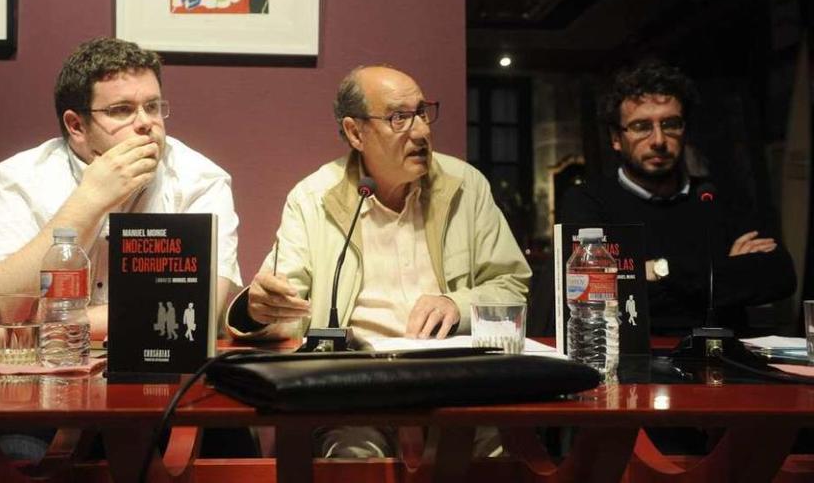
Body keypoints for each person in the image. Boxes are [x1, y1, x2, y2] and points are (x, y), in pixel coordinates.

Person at [227, 65, 531, 457]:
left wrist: (456, 305)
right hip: (355, 391)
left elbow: (512, 286)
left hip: (457, 386)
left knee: (500, 456)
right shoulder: (313, 197)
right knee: (350, 457)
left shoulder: (465, 187)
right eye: (399, 118)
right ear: (355, 133)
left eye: (422, 112)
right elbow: (288, 304)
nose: (421, 131)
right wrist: (259, 309)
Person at [0, 37, 242, 347]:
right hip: (38, 382)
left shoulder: (201, 181)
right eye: (122, 110)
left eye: (153, 107)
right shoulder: (16, 180)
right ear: (76, 126)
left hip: (161, 378)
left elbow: (197, 314)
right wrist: (89, 201)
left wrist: (42, 323)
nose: (146, 123)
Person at [559, 60, 795, 336]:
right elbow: (595, 296)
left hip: (724, 359)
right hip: (634, 358)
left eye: (670, 124)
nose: (658, 139)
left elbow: (779, 276)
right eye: (641, 126)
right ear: (616, 138)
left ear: (684, 130)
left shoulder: (717, 197)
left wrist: (657, 270)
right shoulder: (589, 201)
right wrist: (722, 269)